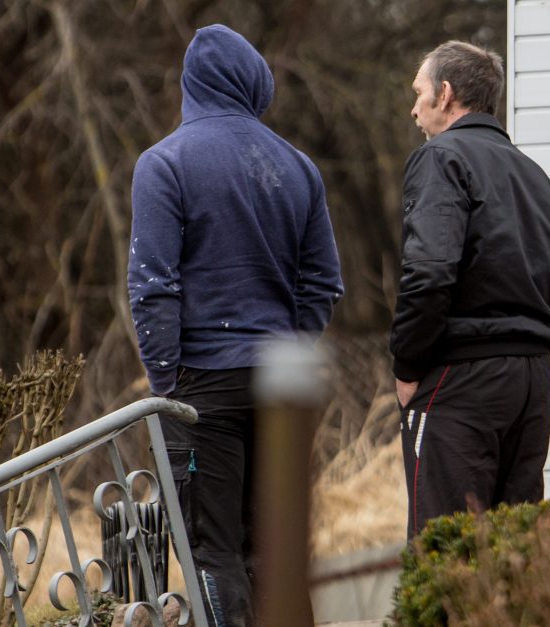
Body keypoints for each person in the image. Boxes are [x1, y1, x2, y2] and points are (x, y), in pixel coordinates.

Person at [127, 24, 343, 626]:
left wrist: (166, 384)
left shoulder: (164, 163)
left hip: (203, 389)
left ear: (191, 85)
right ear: (254, 84)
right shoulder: (298, 167)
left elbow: (152, 285)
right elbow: (324, 282)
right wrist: (286, 351)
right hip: (281, 388)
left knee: (211, 551)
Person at [390, 40, 550, 538]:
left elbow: (428, 273)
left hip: (462, 380)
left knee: (447, 550)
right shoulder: (538, 179)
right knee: (514, 552)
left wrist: (407, 366)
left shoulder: (440, 158)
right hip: (532, 385)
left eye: (419, 93)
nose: (413, 108)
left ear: (445, 94)